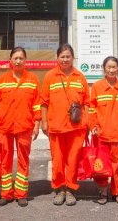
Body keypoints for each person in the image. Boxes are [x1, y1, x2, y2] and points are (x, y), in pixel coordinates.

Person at [40, 43, 89, 206]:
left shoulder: (80, 76)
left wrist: (87, 123)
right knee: (58, 160)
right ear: (57, 58)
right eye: (62, 56)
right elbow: (44, 102)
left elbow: (86, 103)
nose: (65, 59)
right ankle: (59, 189)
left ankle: (71, 189)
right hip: (56, 126)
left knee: (73, 160)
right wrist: (44, 122)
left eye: (68, 56)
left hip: (77, 127)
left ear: (73, 58)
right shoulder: (50, 76)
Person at [0, 47, 41, 207]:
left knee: (23, 160)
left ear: (25, 60)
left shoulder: (32, 79)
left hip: (25, 126)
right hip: (4, 126)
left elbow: (36, 104)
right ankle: (6, 194)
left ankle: (21, 194)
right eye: (15, 58)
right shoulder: (2, 80)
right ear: (10, 60)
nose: (18, 61)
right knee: (4, 160)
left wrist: (37, 124)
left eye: (21, 58)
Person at [89, 56, 118, 205]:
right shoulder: (97, 87)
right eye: (109, 67)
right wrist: (93, 126)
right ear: (104, 69)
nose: (111, 70)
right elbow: (92, 109)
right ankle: (103, 191)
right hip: (101, 134)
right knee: (102, 164)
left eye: (114, 67)